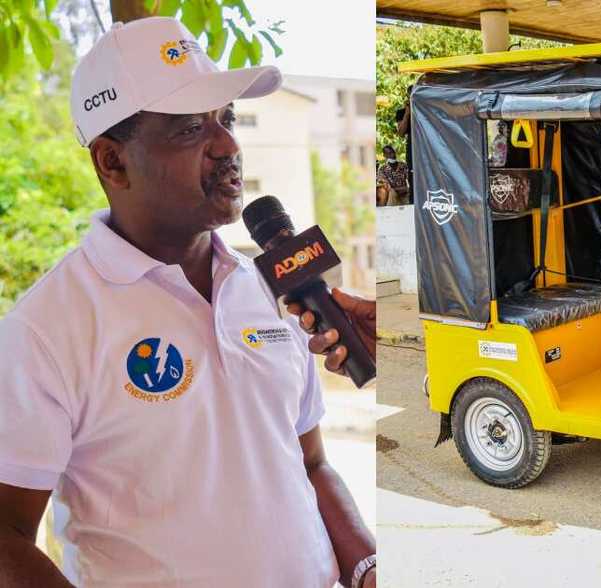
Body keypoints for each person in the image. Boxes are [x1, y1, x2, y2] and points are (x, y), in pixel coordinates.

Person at [0, 18, 376, 588]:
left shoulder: (268, 291)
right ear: (112, 161)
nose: (226, 145)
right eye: (189, 129)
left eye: (225, 119)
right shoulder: (46, 328)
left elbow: (311, 464)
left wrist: (368, 564)